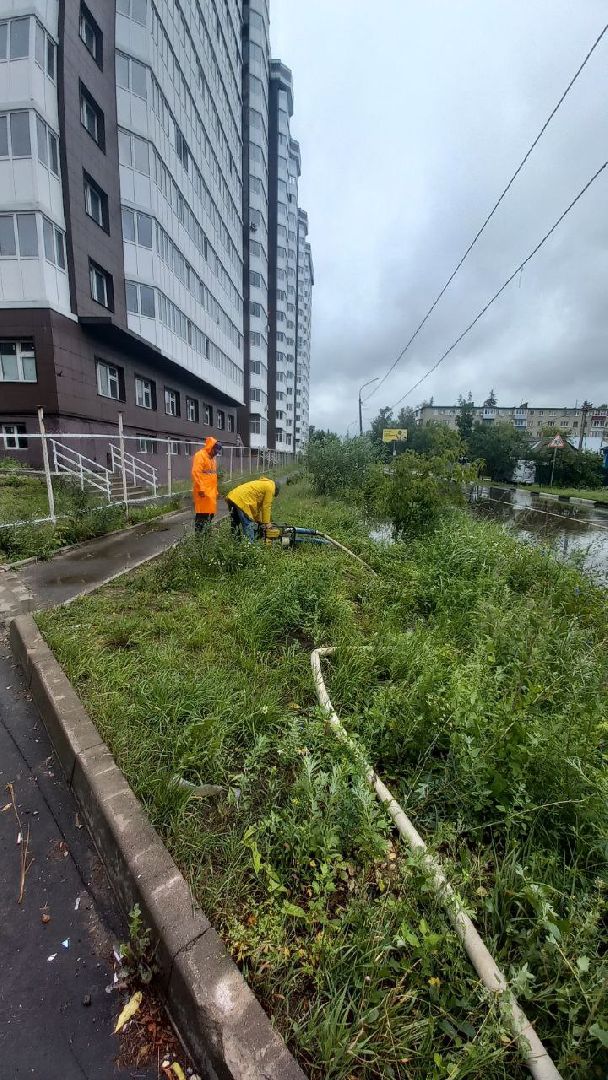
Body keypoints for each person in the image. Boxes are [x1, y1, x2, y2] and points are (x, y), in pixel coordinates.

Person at [225, 476, 279, 541]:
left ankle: (235, 543)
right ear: (276, 490)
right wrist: (267, 523)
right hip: (242, 500)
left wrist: (259, 521)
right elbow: (266, 506)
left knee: (235, 523)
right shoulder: (270, 488)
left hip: (232, 497)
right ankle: (249, 547)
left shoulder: (264, 484)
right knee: (248, 524)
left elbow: (258, 508)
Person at [191, 437, 221, 532]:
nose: (216, 453)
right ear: (210, 447)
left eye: (217, 451)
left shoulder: (212, 459)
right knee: (202, 515)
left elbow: (212, 475)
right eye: (215, 450)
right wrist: (201, 488)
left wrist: (215, 491)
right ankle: (200, 538)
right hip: (203, 492)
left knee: (210, 514)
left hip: (211, 492)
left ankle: (206, 534)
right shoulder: (200, 455)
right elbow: (196, 473)